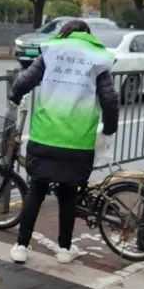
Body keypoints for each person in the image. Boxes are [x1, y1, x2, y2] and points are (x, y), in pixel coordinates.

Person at [7, 19, 119, 263]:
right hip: (77, 141)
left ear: (64, 33)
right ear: (87, 36)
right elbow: (109, 99)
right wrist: (109, 128)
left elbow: (24, 81)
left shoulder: (52, 50)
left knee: (36, 190)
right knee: (68, 193)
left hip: (45, 134)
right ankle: (64, 250)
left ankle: (21, 247)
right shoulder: (97, 56)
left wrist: (15, 96)